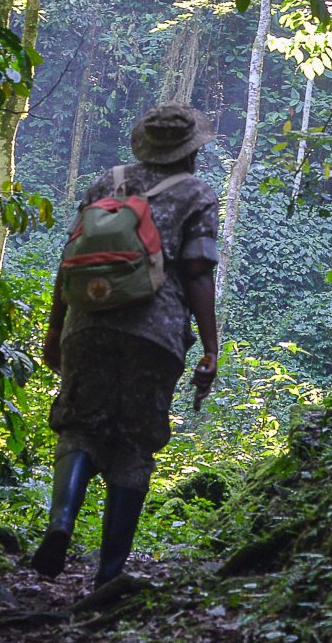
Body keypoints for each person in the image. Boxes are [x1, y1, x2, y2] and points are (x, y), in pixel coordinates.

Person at [32, 103, 222, 591]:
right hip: (154, 333)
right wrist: (210, 346)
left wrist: (55, 331)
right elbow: (199, 273)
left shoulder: (106, 184)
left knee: (78, 425)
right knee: (135, 441)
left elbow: (68, 260)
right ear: (190, 150)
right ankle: (109, 573)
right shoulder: (197, 193)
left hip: (86, 322)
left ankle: (60, 523)